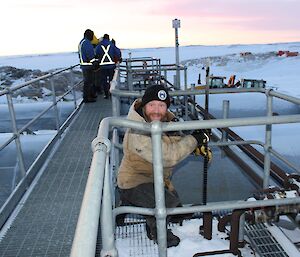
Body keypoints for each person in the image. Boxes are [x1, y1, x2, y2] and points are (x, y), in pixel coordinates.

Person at [117, 84, 212, 248]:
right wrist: (195, 139)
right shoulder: (137, 130)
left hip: (156, 179)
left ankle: (132, 206)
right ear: (144, 106)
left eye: (161, 106)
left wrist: (195, 148)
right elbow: (167, 156)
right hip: (134, 182)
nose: (157, 110)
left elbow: (173, 143)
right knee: (165, 204)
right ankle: (158, 233)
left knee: (174, 203)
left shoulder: (165, 120)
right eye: (152, 105)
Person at [95, 34, 117, 99]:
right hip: (111, 66)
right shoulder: (111, 44)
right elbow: (117, 52)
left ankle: (106, 94)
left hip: (102, 66)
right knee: (111, 80)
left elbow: (96, 53)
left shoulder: (99, 45)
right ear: (108, 38)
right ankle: (111, 93)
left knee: (104, 80)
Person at [78, 29, 97, 102]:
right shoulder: (86, 43)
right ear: (88, 35)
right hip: (87, 66)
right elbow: (89, 53)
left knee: (88, 82)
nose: (93, 37)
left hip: (84, 65)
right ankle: (87, 98)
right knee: (88, 82)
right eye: (92, 35)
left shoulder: (82, 42)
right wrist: (94, 62)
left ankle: (89, 96)